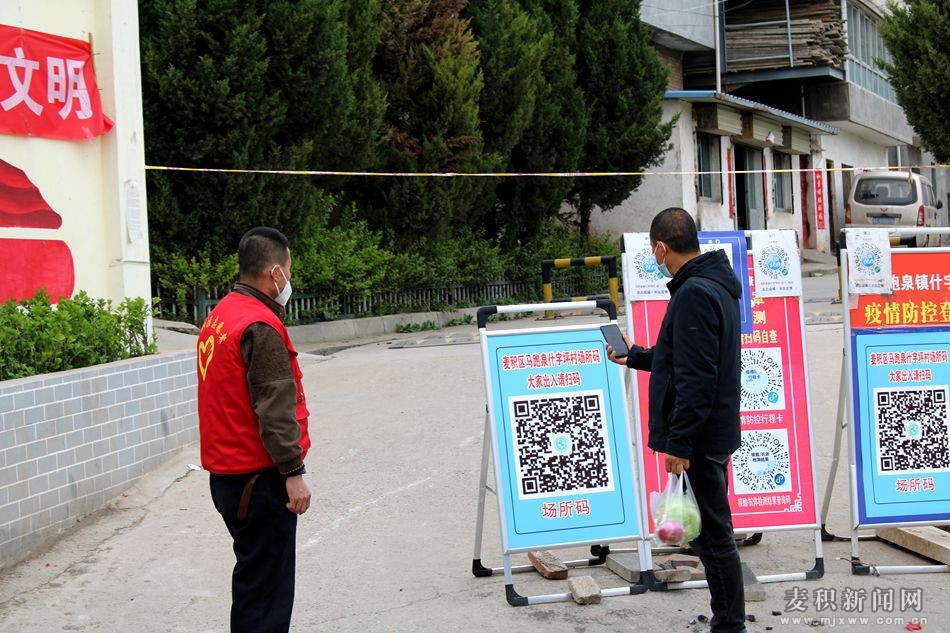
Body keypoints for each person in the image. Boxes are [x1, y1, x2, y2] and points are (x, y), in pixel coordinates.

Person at [608, 208, 746, 633]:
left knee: (715, 539)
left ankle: (730, 625)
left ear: (661, 248)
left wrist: (679, 445)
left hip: (700, 437)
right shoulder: (712, 284)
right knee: (709, 534)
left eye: (655, 250)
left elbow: (697, 378)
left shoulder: (694, 293)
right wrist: (635, 356)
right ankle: (727, 620)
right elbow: (681, 358)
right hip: (711, 431)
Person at [197, 227, 312, 633]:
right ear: (274, 272)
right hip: (259, 480)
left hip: (229, 477)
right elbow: (275, 408)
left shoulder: (221, 315)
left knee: (254, 582)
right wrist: (293, 473)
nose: (289, 280)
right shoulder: (259, 325)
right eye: (289, 270)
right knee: (266, 593)